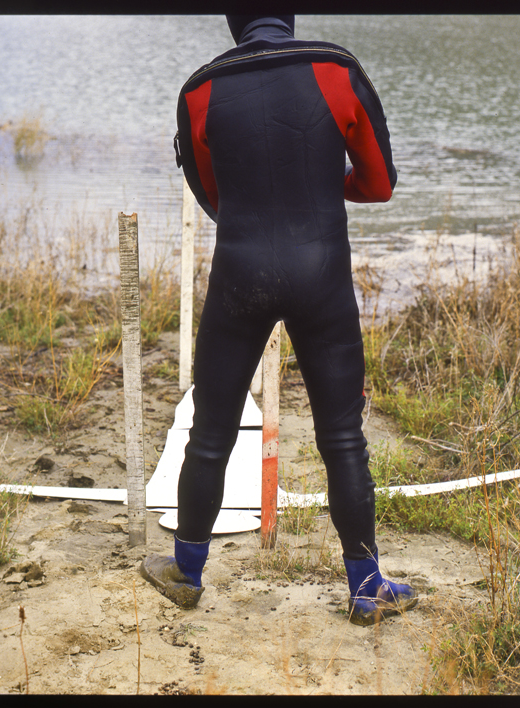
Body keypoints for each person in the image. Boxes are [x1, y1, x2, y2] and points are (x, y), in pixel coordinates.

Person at [139, 15, 417, 626]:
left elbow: (210, 194)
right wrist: (319, 181)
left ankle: (186, 571)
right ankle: (366, 584)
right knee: (343, 438)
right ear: (290, 15)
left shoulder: (199, 89)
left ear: (232, 20)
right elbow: (380, 184)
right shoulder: (337, 68)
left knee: (210, 433)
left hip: (241, 272)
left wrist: (256, 213)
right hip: (322, 273)